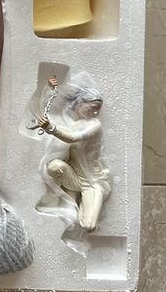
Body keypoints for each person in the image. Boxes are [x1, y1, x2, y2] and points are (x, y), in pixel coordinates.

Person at [34, 77, 112, 232]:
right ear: (80, 103)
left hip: (92, 181)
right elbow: (48, 110)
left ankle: (79, 201)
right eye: (92, 107)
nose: (95, 112)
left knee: (88, 225)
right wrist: (50, 88)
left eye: (98, 110)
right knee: (54, 167)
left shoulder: (94, 125)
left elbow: (72, 138)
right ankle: (68, 196)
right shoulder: (71, 123)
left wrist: (51, 128)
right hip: (74, 178)